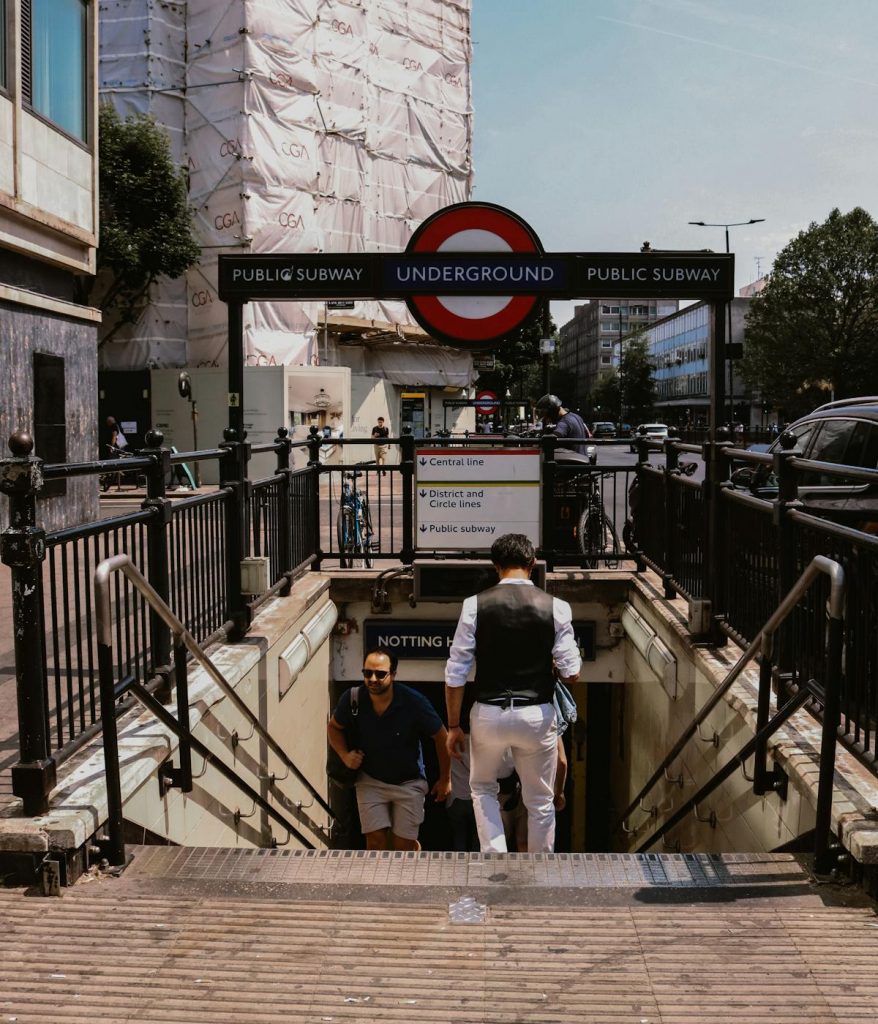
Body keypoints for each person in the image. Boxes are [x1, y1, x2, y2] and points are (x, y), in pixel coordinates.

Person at [444, 533, 581, 853]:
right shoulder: (557, 607)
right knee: (541, 801)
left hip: (488, 713)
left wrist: (453, 726)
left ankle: (494, 859)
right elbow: (572, 673)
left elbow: (456, 673)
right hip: (537, 713)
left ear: (496, 567)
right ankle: (540, 871)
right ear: (532, 564)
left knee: (482, 790)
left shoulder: (474, 605)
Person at [328, 648, 451, 851]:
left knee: (402, 849)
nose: (373, 679)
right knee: (375, 844)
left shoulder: (413, 702)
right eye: (367, 673)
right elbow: (334, 728)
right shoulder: (353, 699)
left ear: (393, 674)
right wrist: (345, 755)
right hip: (370, 781)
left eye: (380, 674)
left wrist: (445, 778)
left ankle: (412, 849)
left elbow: (441, 736)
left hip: (409, 782)